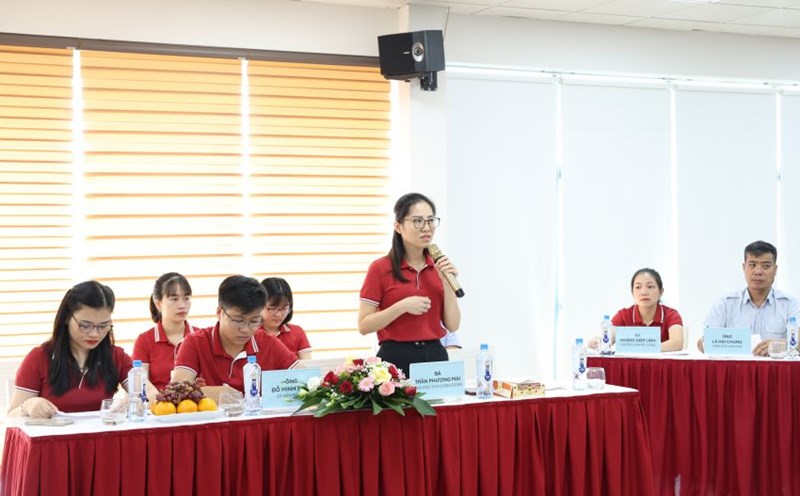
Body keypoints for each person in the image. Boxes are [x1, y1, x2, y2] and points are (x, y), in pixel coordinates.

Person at [358, 192, 461, 377]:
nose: (426, 227)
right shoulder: (380, 268)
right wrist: (402, 306)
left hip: (435, 356)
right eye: (418, 221)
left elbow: (453, 325)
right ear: (398, 226)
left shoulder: (439, 266)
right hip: (395, 357)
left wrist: (447, 284)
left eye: (430, 220)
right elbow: (364, 325)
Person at [8, 281, 133, 418]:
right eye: (85, 325)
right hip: (53, 437)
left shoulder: (116, 356)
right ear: (67, 317)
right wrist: (27, 406)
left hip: (101, 438)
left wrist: (133, 401)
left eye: (103, 326)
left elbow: (148, 395)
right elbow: (12, 417)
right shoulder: (39, 358)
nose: (94, 334)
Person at [173, 275, 299, 400]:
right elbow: (177, 390)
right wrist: (218, 393)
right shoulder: (195, 343)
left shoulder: (268, 343)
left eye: (254, 321)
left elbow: (306, 379)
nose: (245, 329)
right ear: (219, 312)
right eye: (238, 320)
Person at [700, 240, 800, 356]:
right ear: (744, 267)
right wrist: (708, 343)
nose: (758, 272)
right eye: (752, 265)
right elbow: (703, 342)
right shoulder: (726, 303)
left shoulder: (790, 304)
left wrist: (781, 345)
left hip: (775, 371)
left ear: (775, 270)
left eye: (766, 266)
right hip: (736, 370)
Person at [133, 272, 199, 390]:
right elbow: (140, 387)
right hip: (158, 405)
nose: (182, 305)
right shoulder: (144, 340)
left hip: (196, 406)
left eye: (186, 298)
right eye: (174, 299)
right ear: (158, 303)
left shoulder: (200, 337)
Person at [607, 268, 684, 352]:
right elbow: (608, 338)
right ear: (632, 293)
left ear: (661, 292)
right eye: (638, 287)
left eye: (650, 287)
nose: (644, 292)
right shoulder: (624, 315)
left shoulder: (671, 314)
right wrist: (597, 341)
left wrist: (643, 348)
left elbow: (677, 342)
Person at [260, 277, 312, 360]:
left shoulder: (297, 332)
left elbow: (307, 367)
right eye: (273, 308)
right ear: (260, 306)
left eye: (284, 308)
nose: (279, 314)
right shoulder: (251, 333)